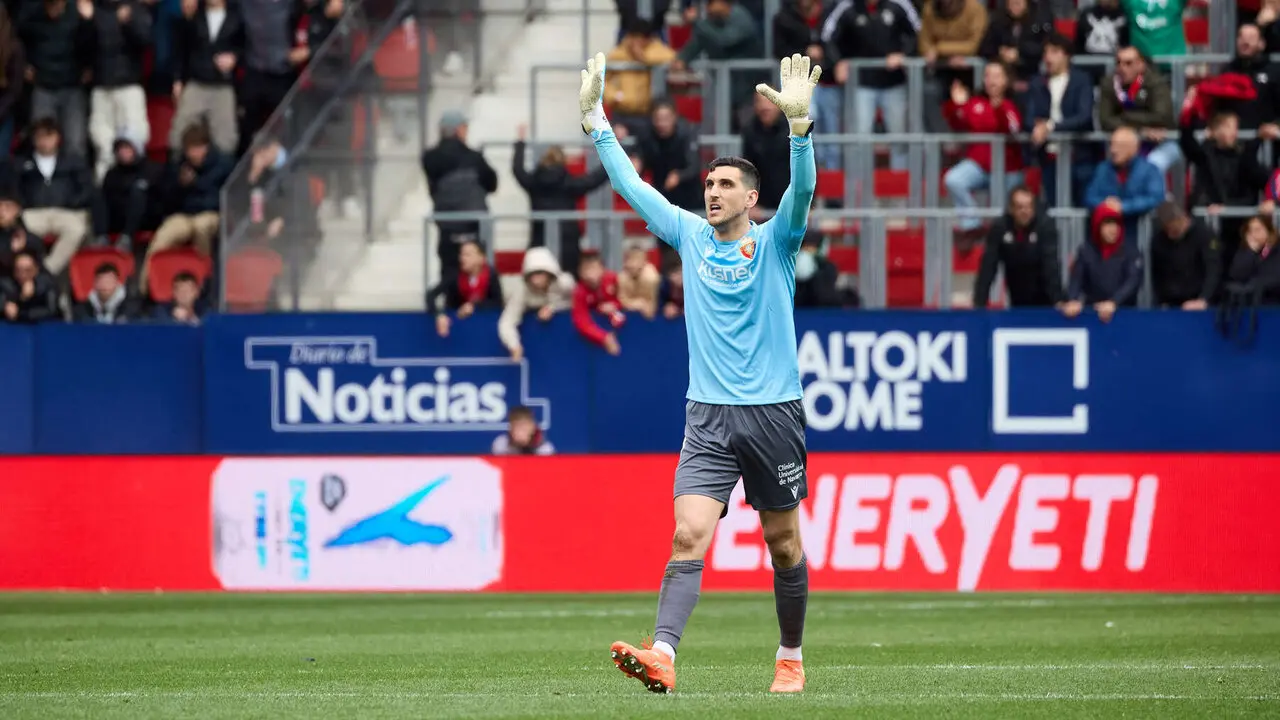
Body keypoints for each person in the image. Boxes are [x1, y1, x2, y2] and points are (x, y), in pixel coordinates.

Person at [581, 51, 818, 694]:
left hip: (772, 412)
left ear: (751, 197)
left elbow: (804, 197)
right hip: (706, 415)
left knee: (784, 546)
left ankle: (790, 655)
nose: (710, 192)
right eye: (707, 185)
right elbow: (634, 189)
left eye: (723, 186)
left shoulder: (775, 242)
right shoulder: (688, 235)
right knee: (688, 534)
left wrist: (800, 136)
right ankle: (663, 653)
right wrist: (597, 123)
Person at [973, 185, 1064, 308]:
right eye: (1019, 207)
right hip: (1017, 295)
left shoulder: (1045, 226)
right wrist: (979, 302)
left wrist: (1058, 300)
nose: (1024, 211)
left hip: (1045, 297)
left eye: (1028, 207)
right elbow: (988, 266)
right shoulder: (1000, 227)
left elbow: (1051, 265)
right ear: (1011, 209)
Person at [1062, 204, 1143, 323]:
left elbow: (1133, 280)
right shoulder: (1086, 251)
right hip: (1093, 312)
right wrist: (1072, 299)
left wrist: (1114, 302)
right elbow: (1076, 278)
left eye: (1116, 224)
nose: (1113, 229)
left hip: (1124, 313)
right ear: (1097, 226)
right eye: (1107, 224)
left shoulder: (1130, 251)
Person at [490, 405, 555, 455]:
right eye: (517, 426)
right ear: (511, 429)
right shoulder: (501, 445)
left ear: (532, 427)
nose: (521, 431)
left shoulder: (545, 449)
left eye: (524, 427)